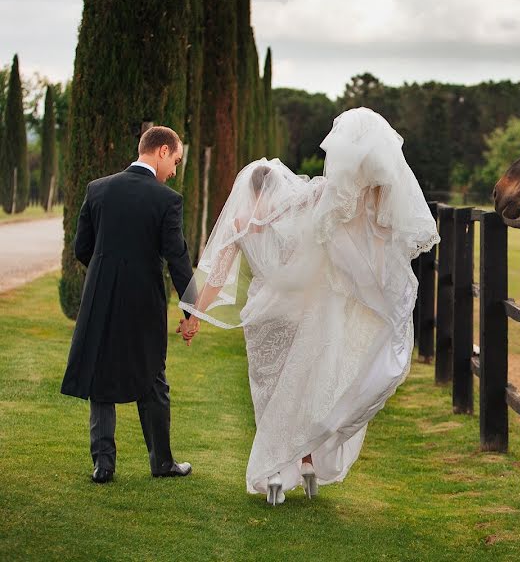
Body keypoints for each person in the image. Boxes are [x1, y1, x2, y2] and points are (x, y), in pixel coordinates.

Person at [178, 108, 439, 505]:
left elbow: (216, 276)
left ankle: (277, 483)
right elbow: (347, 194)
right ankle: (309, 470)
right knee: (304, 396)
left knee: (272, 403)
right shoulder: (298, 209)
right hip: (300, 317)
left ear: (246, 192)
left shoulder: (238, 225)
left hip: (264, 318)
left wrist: (193, 314)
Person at [61, 126, 196, 484]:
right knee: (152, 375)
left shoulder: (98, 189)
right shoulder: (167, 200)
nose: (175, 171)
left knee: (99, 375)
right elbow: (177, 258)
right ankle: (162, 463)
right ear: (162, 151)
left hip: (100, 295)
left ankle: (103, 465)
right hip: (144, 300)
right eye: (177, 161)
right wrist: (190, 311)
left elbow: (81, 248)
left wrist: (108, 273)